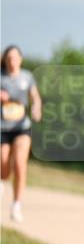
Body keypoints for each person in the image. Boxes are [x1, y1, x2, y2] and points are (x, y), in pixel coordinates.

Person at [1, 45, 42, 221]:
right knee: (3, 165)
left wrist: (36, 109)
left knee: (20, 164)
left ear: (20, 59)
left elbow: (35, 97)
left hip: (22, 127)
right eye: (8, 58)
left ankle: (16, 205)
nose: (12, 61)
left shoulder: (27, 76)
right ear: (5, 60)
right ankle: (3, 179)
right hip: (3, 127)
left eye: (15, 57)